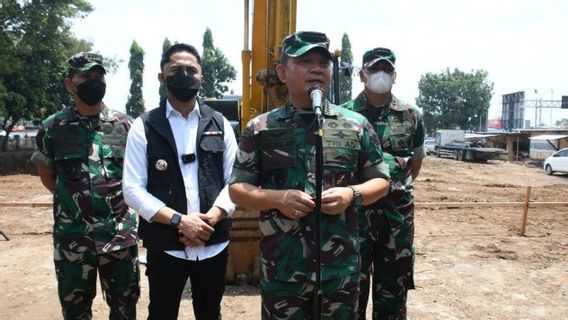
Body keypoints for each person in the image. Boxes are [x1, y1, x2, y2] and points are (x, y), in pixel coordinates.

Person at [229, 31, 390, 319]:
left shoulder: (356, 125)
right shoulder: (261, 128)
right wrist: (279, 198)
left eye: (323, 62)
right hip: (284, 271)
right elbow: (238, 189)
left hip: (340, 271)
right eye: (305, 61)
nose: (316, 68)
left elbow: (381, 181)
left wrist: (350, 194)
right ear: (281, 72)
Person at [122, 43, 237, 320]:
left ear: (201, 78)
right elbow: (133, 189)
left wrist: (210, 219)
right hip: (166, 246)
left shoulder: (219, 124)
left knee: (210, 313)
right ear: (161, 77)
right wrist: (180, 221)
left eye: (191, 70)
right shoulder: (145, 126)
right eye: (176, 70)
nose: (184, 75)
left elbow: (234, 182)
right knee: (161, 313)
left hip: (213, 243)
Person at [31, 52, 140, 319]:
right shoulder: (53, 127)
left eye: (98, 76)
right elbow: (48, 175)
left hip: (118, 237)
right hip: (73, 239)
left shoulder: (126, 125)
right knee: (75, 310)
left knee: (125, 308)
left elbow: (137, 177)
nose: (94, 81)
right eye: (86, 77)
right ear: (70, 84)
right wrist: (76, 202)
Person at [340, 47, 426, 320]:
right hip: (354, 218)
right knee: (350, 291)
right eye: (375, 68)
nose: (381, 74)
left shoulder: (411, 115)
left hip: (396, 219)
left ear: (395, 75)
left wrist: (395, 184)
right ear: (362, 74)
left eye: (387, 69)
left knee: (394, 292)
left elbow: (416, 162)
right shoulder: (343, 115)